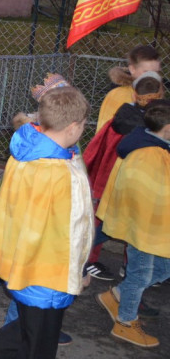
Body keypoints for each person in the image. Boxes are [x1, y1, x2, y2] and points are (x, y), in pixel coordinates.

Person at [0, 85, 93, 359]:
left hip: (25, 261)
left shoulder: (27, 152)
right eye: (84, 125)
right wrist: (76, 269)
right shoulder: (58, 172)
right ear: (73, 127)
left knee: (29, 329)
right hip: (48, 270)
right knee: (38, 345)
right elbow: (70, 229)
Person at [94, 99, 170, 348]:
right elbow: (149, 194)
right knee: (141, 274)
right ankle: (125, 322)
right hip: (144, 228)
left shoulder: (158, 146)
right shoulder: (148, 154)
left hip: (154, 227)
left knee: (162, 268)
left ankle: (118, 295)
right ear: (167, 128)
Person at [83, 45, 161, 281]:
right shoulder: (119, 96)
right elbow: (108, 133)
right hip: (117, 165)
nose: (152, 77)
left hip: (141, 169)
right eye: (147, 71)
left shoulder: (154, 92)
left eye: (156, 71)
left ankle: (131, 266)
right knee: (102, 214)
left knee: (135, 217)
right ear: (132, 69)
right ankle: (87, 260)